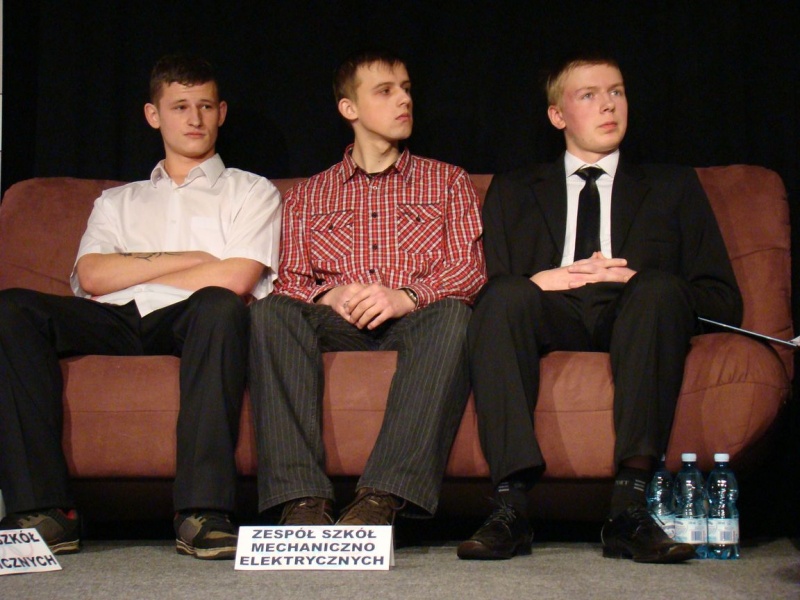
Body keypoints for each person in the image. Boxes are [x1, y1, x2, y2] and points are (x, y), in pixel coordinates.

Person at [456, 53, 742, 563]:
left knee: (657, 291)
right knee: (502, 297)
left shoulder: (674, 186)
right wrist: (539, 281)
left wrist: (639, 280)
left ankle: (630, 508)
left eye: (617, 92)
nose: (609, 105)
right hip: (550, 310)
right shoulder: (515, 189)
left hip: (635, 314)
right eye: (589, 95)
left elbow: (721, 299)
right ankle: (509, 508)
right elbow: (488, 289)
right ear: (557, 115)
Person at [0, 54, 282, 560]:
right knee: (11, 309)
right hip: (114, 316)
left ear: (221, 113)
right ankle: (44, 511)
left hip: (194, 317)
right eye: (180, 107)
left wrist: (136, 266)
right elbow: (93, 275)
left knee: (220, 306)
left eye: (205, 106)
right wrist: (194, 258)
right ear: (154, 115)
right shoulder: (118, 201)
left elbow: (236, 277)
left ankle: (202, 511)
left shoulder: (251, 190)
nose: (194, 119)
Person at [248, 49, 486, 528]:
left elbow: (469, 270)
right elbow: (290, 280)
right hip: (337, 324)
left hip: (417, 320)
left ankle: (382, 496)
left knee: (456, 315)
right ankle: (302, 499)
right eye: (386, 91)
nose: (404, 100)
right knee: (269, 312)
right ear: (349, 108)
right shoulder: (308, 195)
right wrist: (328, 296)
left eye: (407, 90)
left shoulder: (448, 182)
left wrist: (406, 297)